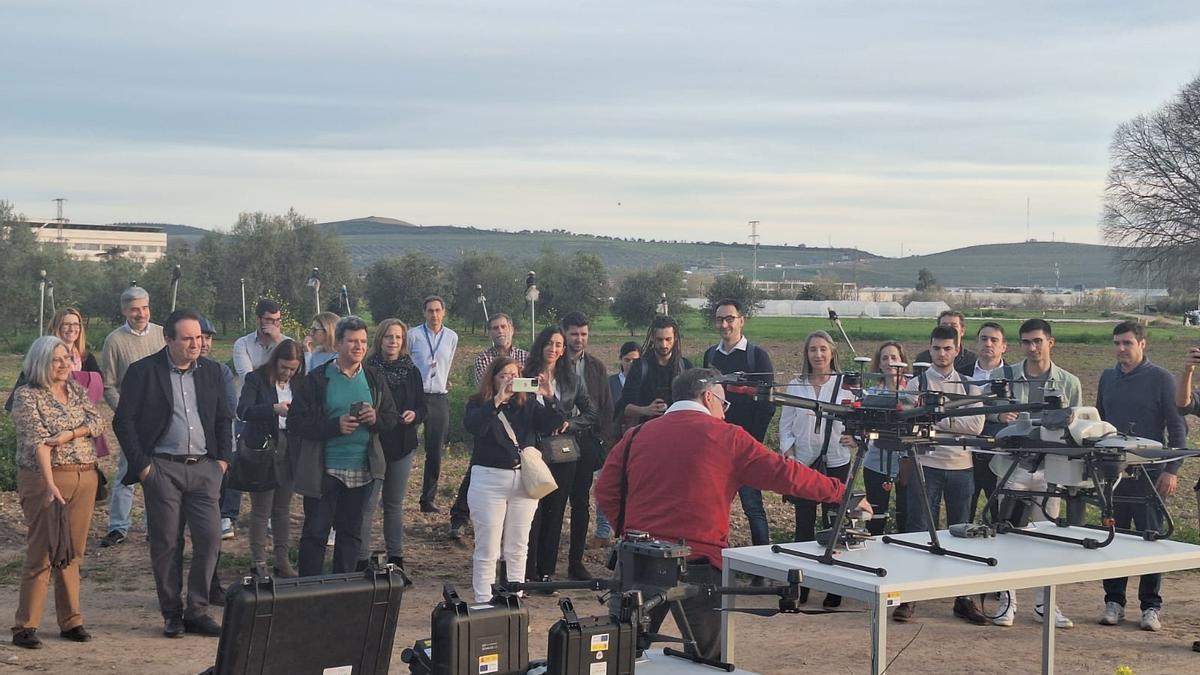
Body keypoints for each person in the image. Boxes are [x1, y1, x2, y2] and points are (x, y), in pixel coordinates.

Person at [595, 368, 871, 662]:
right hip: (698, 561)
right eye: (723, 405)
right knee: (710, 658)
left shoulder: (636, 435)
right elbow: (784, 474)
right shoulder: (727, 437)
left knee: (617, 655)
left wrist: (628, 530)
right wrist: (841, 493)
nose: (725, 414)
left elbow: (605, 490)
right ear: (708, 397)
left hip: (637, 560)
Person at [112, 309, 234, 638]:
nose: (196, 344)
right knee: (166, 542)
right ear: (168, 340)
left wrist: (222, 461)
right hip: (162, 468)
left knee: (210, 539)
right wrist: (144, 466)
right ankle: (172, 613)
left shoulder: (212, 372)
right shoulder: (143, 372)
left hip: (205, 469)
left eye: (199, 337)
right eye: (188, 338)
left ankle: (197, 610)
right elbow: (123, 421)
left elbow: (224, 418)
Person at [10, 336, 105, 649]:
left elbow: (97, 421)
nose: (65, 365)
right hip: (45, 479)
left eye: (67, 358)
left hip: (84, 476)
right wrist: (49, 483)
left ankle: (71, 620)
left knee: (72, 551)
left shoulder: (75, 390)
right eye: (57, 360)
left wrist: (68, 434)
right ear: (41, 363)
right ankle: (26, 625)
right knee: (43, 550)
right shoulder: (27, 396)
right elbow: (36, 440)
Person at [988, 319, 1082, 629]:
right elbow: (987, 419)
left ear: (1050, 343)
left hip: (1050, 471)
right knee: (1006, 535)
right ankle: (1007, 602)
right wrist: (1000, 415)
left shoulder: (1069, 382)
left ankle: (1045, 604)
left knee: (1048, 537)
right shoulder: (1004, 378)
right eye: (1026, 342)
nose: (1032, 347)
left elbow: (1077, 431)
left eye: (1038, 341)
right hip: (1011, 467)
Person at [289, 316, 398, 576]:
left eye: (362, 341)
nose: (358, 347)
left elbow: (391, 418)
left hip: (363, 470)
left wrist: (375, 420)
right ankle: (309, 592)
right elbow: (296, 421)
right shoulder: (318, 379)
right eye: (351, 341)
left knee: (351, 535)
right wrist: (333, 426)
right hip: (325, 471)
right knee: (316, 533)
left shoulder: (373, 378)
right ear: (338, 344)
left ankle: (344, 589)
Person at [1095, 321, 1186, 632]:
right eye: (1117, 343)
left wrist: (1171, 470)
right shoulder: (1108, 378)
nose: (1122, 349)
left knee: (1151, 540)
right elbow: (1099, 425)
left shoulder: (1161, 379)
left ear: (1142, 344)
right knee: (1114, 538)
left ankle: (1150, 606)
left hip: (1150, 476)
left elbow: (1178, 429)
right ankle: (1114, 601)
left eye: (1128, 343)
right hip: (1115, 476)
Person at [892, 324, 985, 625]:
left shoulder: (971, 386)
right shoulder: (914, 384)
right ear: (929, 349)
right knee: (918, 530)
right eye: (936, 348)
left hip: (961, 469)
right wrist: (951, 418)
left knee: (962, 533)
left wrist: (934, 418)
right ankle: (909, 597)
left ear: (957, 350)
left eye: (947, 348)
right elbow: (908, 423)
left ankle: (964, 598)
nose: (941, 353)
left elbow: (976, 427)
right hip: (925, 467)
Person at [463, 357, 563, 603]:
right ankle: (484, 603)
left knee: (518, 546)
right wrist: (497, 400)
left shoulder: (527, 404)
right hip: (488, 479)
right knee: (488, 548)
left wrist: (549, 397)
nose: (509, 380)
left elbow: (553, 423)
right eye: (503, 375)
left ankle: (515, 601)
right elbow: (475, 426)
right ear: (493, 379)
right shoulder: (478, 403)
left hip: (522, 481)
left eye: (513, 375)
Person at [778, 330, 853, 607]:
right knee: (803, 526)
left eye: (823, 349)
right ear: (806, 354)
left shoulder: (846, 385)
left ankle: (835, 585)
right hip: (804, 463)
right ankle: (802, 582)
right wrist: (788, 450)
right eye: (813, 350)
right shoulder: (796, 385)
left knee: (834, 524)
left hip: (836, 460)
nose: (818, 355)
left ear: (832, 352)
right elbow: (785, 421)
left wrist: (854, 438)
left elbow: (859, 417)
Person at [523, 325, 598, 584]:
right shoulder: (525, 375)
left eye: (558, 345)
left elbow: (590, 413)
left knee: (555, 512)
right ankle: (527, 571)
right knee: (533, 512)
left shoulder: (571, 380)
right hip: (532, 451)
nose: (553, 349)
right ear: (540, 345)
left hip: (562, 454)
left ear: (563, 349)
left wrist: (571, 423)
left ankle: (546, 572)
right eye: (548, 343)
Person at [703, 299, 776, 552]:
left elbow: (768, 405)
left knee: (753, 506)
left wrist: (752, 441)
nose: (724, 324)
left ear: (741, 320)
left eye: (729, 319)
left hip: (746, 447)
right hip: (717, 447)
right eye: (720, 319)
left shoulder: (758, 357)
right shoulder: (710, 355)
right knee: (712, 507)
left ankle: (762, 568)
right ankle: (712, 561)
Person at [450, 313, 528, 541]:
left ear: (511, 328)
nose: (499, 331)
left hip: (516, 417)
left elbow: (527, 388)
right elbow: (483, 387)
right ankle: (460, 515)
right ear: (489, 332)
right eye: (494, 328)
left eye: (503, 326)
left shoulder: (524, 355)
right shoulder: (484, 359)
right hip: (492, 418)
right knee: (476, 468)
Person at [357, 319, 426, 573]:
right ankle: (361, 559)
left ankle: (396, 559)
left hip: (402, 443)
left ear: (403, 341)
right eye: (388, 337)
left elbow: (423, 407)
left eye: (398, 337)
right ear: (380, 339)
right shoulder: (366, 369)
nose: (393, 342)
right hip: (373, 444)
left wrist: (414, 415)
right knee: (368, 505)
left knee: (394, 505)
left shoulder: (412, 371)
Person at [99, 286, 165, 548]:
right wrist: (125, 414)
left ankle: (155, 527)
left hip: (161, 419)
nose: (141, 313)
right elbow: (108, 385)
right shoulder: (114, 341)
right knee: (127, 472)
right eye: (135, 309)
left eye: (145, 307)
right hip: (132, 421)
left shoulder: (163, 335)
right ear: (124, 310)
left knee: (158, 475)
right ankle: (118, 527)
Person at [237, 339, 306, 578]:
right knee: (261, 508)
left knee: (282, 508)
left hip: (290, 447)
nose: (287, 373)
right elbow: (243, 410)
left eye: (293, 368)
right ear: (275, 361)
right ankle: (258, 562)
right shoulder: (256, 379)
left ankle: (282, 560)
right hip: (264, 449)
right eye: (284, 367)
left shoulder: (299, 382)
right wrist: (273, 409)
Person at [560, 311, 614, 579]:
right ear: (565, 334)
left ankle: (575, 562)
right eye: (574, 334)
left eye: (583, 334)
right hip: (557, 444)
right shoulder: (554, 364)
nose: (579, 339)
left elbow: (606, 406)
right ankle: (542, 562)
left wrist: (600, 440)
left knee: (581, 503)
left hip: (586, 443)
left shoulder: (596, 367)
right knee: (554, 502)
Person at [955, 321, 1013, 524]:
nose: (988, 343)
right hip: (966, 450)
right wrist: (996, 416)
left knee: (999, 510)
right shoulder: (960, 374)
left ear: (1003, 346)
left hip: (999, 452)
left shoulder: (1013, 376)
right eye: (984, 339)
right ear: (977, 343)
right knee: (964, 509)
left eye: (994, 340)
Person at [409, 295, 459, 513]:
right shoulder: (413, 335)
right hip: (415, 396)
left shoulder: (452, 337)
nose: (434, 315)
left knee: (435, 450)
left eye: (438, 310)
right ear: (424, 313)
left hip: (439, 396)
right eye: (430, 310)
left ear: (444, 312)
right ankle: (392, 492)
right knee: (403, 445)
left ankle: (427, 499)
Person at [5, 308, 102, 412]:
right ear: (56, 327)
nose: (72, 329)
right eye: (66, 324)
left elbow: (99, 384)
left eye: (76, 324)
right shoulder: (42, 356)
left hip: (80, 414)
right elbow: (18, 397)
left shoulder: (86, 358)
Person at [861, 341, 910, 536]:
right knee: (875, 516)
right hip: (876, 462)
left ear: (903, 362)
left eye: (894, 358)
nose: (890, 362)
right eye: (885, 358)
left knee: (905, 513)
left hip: (907, 463)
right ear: (879, 364)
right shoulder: (872, 395)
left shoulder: (913, 393)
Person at [595, 340, 640, 547]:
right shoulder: (609, 382)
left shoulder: (643, 385)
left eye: (635, 361)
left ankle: (630, 532)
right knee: (607, 484)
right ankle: (602, 532)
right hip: (611, 443)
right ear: (620, 360)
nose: (631, 364)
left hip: (637, 443)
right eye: (627, 360)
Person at [618, 315, 692, 425]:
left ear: (675, 337)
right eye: (659, 340)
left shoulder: (685, 366)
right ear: (652, 338)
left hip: (678, 431)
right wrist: (646, 410)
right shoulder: (639, 367)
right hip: (646, 431)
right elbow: (624, 408)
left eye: (668, 339)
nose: (664, 345)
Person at [914, 310, 978, 373]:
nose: (949, 328)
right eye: (944, 325)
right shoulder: (923, 359)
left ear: (962, 331)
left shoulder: (972, 359)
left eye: (954, 326)